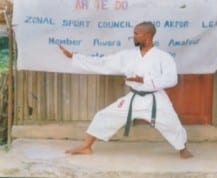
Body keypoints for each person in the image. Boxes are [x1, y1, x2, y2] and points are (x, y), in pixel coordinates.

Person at [59, 21, 193, 159]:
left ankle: (182, 149)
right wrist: (75, 57)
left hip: (155, 98)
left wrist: (145, 81)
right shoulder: (128, 55)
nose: (133, 37)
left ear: (147, 35)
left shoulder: (163, 57)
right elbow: (103, 63)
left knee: (172, 123)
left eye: (136, 33)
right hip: (133, 98)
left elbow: (171, 79)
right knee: (104, 115)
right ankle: (86, 146)